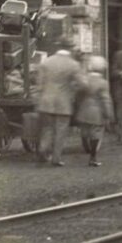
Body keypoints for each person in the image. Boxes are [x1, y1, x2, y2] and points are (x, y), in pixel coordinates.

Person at [37, 37, 82, 166]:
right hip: (63, 103)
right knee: (61, 130)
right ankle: (56, 159)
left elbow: (39, 84)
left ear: (58, 47)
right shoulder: (73, 64)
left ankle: (42, 148)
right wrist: (73, 88)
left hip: (46, 101)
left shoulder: (46, 62)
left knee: (47, 128)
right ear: (70, 48)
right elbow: (82, 84)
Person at [75, 55, 114, 166]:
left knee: (85, 132)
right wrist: (109, 114)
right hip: (96, 113)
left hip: (83, 111)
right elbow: (105, 100)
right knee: (96, 135)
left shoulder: (84, 80)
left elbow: (78, 95)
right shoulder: (103, 83)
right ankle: (93, 157)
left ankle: (86, 147)